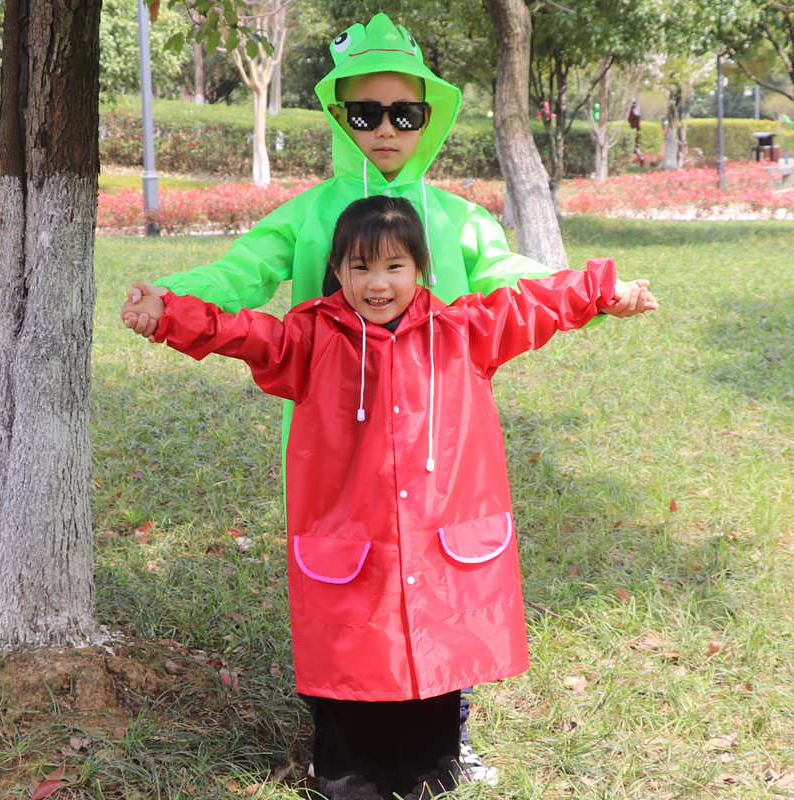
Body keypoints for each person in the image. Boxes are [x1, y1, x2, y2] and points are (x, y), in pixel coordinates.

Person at [122, 13, 653, 782]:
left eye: (404, 114)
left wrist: (601, 292)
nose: (385, 130)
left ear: (429, 118)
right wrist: (170, 299)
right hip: (338, 442)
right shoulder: (309, 213)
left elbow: (518, 288)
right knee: (346, 586)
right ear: (341, 117)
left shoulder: (458, 217)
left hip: (443, 446)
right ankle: (344, 750)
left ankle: (447, 735)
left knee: (444, 577)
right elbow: (241, 289)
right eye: (365, 114)